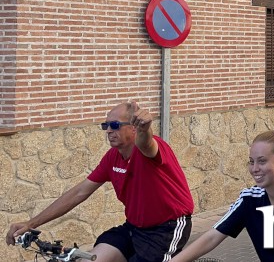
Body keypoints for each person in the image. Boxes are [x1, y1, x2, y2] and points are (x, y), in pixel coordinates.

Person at [6, 101, 194, 261]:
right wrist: (31, 223)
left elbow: (146, 143)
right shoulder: (113, 157)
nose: (109, 130)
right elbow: (80, 192)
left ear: (134, 127)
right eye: (106, 126)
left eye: (115, 125)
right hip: (134, 227)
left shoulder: (150, 149)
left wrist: (146, 129)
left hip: (167, 228)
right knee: (93, 258)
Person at [170, 131, 274, 262]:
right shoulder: (249, 199)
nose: (255, 168)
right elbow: (212, 237)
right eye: (251, 161)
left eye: (262, 161)